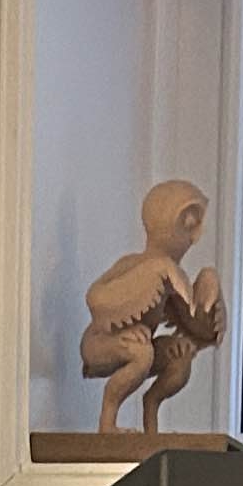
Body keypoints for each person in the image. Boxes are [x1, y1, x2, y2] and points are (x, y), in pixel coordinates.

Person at [83, 181, 227, 434]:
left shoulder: (174, 279)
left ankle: (151, 424)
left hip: (142, 344)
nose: (194, 237)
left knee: (178, 356)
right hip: (100, 344)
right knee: (141, 353)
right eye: (189, 224)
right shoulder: (137, 264)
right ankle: (108, 423)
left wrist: (208, 289)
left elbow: (197, 323)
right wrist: (153, 272)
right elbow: (96, 298)